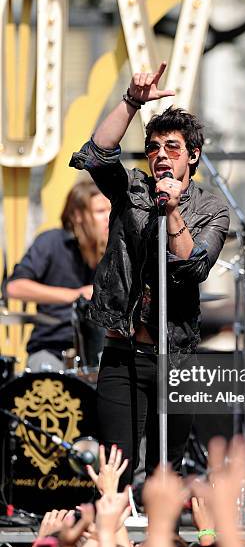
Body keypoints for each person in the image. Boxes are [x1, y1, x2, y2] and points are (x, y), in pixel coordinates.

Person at [69, 62, 230, 485]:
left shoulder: (211, 210)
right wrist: (130, 101)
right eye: (154, 148)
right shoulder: (131, 190)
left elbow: (195, 265)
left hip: (175, 358)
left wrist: (172, 210)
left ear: (193, 155)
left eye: (172, 148)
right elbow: (97, 154)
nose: (161, 156)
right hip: (124, 354)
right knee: (113, 472)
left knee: (165, 476)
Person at [6, 178, 111, 371]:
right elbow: (14, 287)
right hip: (51, 348)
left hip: (101, 350)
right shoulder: (51, 242)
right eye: (100, 211)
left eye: (110, 210)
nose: (108, 218)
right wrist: (75, 294)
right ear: (78, 215)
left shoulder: (114, 250)